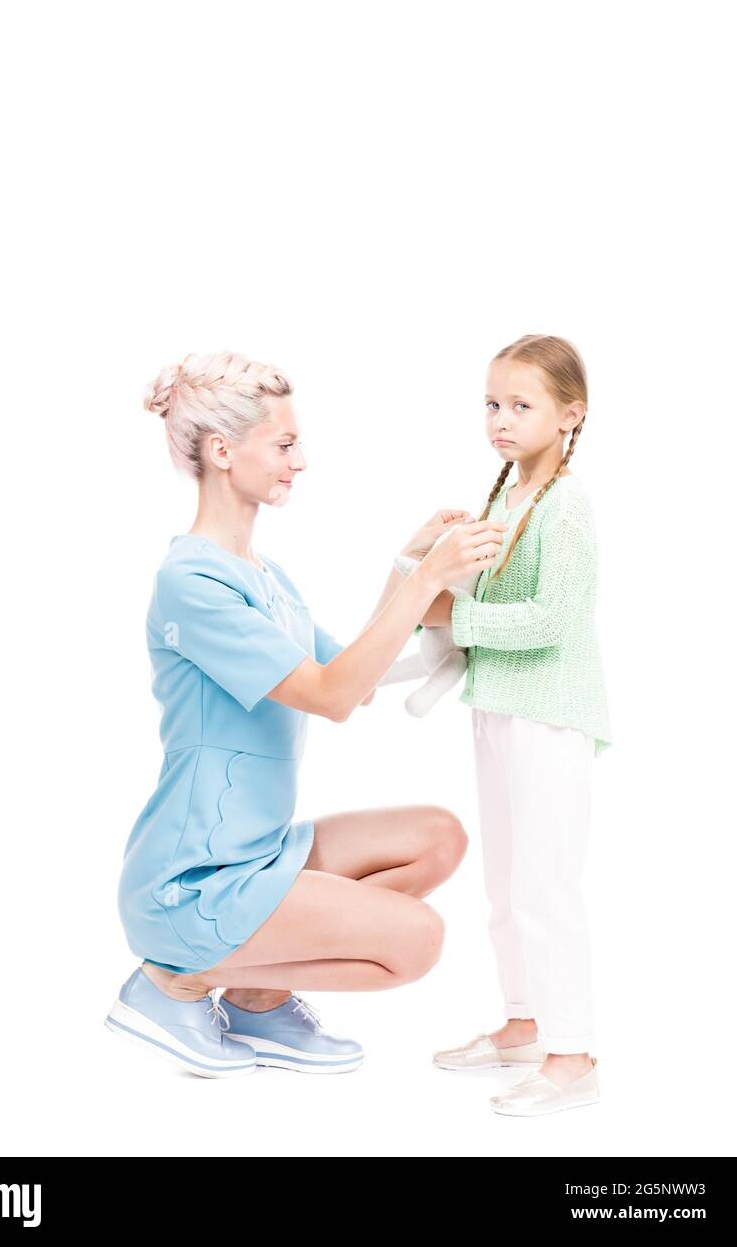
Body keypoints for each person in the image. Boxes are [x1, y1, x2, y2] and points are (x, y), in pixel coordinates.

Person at [105, 349, 508, 1078]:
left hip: (255, 855)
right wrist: (425, 580)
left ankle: (258, 998)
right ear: (224, 452)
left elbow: (349, 680)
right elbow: (326, 695)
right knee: (415, 941)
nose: (300, 461)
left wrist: (405, 568)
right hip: (190, 883)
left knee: (437, 839)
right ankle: (174, 982)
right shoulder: (190, 580)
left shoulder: (266, 577)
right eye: (285, 445)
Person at [418, 334, 612, 1116]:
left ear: (571, 415)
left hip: (550, 712)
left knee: (545, 884)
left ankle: (575, 1057)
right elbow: (467, 597)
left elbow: (552, 620)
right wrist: (430, 563)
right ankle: (524, 1024)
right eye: (492, 404)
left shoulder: (566, 506)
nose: (500, 419)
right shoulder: (506, 495)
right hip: (498, 707)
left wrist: (458, 615)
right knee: (505, 882)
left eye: (520, 405)